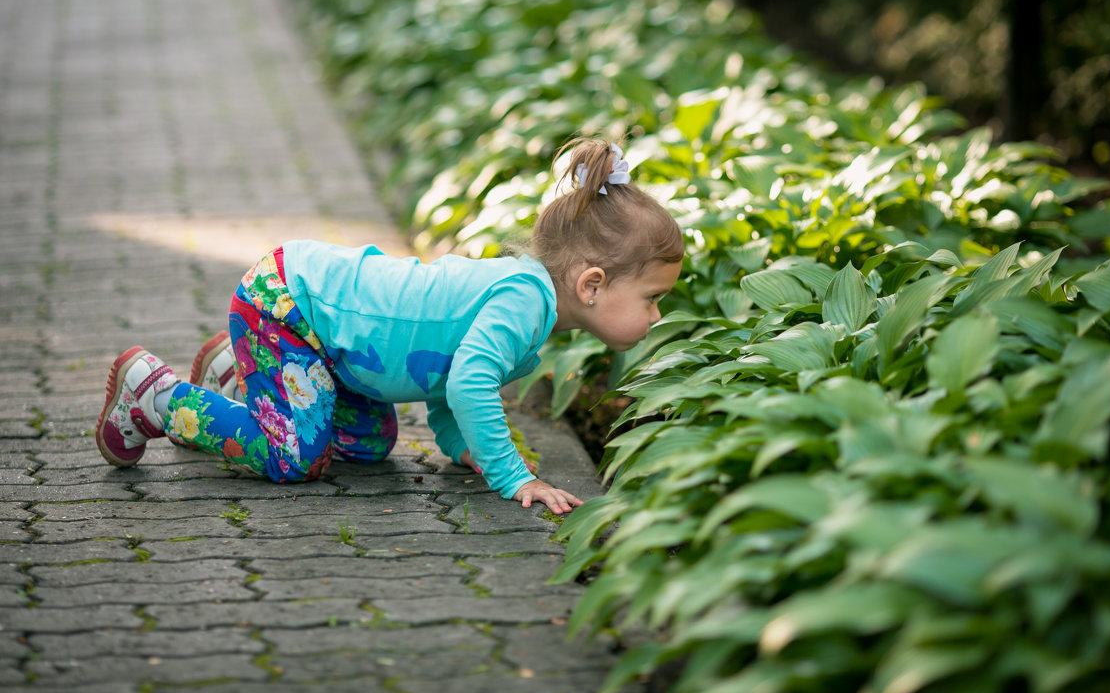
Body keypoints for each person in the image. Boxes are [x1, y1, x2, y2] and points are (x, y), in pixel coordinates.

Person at [94, 138, 684, 514]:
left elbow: (449, 380)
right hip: (289, 305)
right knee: (297, 457)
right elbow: (468, 386)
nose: (657, 315)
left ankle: (239, 371)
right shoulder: (525, 305)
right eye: (653, 298)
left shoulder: (531, 305)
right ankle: (157, 396)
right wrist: (514, 477)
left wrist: (464, 449)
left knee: (370, 444)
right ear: (592, 284)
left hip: (319, 333)